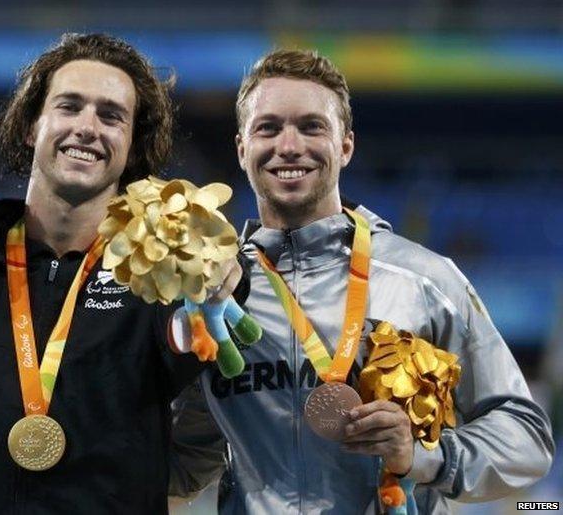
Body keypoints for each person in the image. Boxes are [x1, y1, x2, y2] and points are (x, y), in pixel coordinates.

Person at [171, 49, 554, 513]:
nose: (289, 146)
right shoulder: (216, 292)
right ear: (241, 148)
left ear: (346, 146)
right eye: (268, 128)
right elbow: (187, 460)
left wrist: (423, 455)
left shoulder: (423, 280)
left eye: (312, 127)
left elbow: (525, 437)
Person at [0, 32, 246, 513]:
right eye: (69, 107)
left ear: (131, 148)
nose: (88, 127)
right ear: (32, 126)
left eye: (111, 116)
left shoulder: (157, 277)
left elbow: (197, 339)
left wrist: (226, 279)